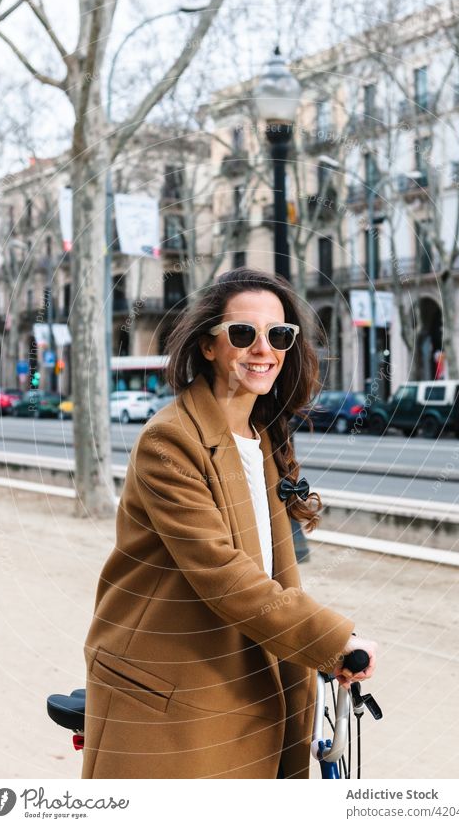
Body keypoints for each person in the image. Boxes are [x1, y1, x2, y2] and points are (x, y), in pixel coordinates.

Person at [81, 268, 377, 780]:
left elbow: (268, 569)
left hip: (243, 677)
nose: (263, 349)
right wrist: (332, 638)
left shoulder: (260, 437)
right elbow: (224, 574)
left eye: (279, 335)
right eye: (243, 333)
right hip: (174, 696)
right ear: (210, 346)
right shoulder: (168, 442)